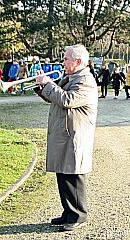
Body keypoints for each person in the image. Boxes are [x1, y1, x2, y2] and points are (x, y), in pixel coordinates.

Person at [34, 44, 97, 232]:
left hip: (74, 135)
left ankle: (78, 215)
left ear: (78, 62)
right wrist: (41, 88)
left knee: (73, 177)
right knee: (62, 174)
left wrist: (48, 84)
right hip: (65, 133)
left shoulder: (85, 81)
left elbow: (67, 100)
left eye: (66, 59)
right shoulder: (71, 77)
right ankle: (68, 212)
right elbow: (56, 98)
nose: (63, 62)